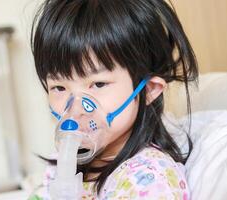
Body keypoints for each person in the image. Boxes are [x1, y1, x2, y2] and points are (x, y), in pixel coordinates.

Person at [29, 0, 198, 199]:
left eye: (98, 84)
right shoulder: (62, 163)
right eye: (59, 87)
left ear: (150, 90)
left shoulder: (149, 180)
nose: (76, 108)